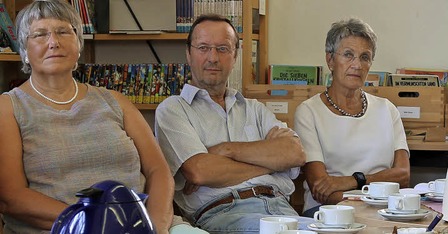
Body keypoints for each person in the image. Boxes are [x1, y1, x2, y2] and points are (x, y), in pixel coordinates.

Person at [0, 0, 177, 233]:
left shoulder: (115, 101)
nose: (53, 42)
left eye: (63, 31)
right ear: (24, 51)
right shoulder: (8, 108)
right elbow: (11, 197)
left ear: (78, 44)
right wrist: (94, 222)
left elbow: (159, 170)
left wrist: (155, 225)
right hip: (64, 228)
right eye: (40, 34)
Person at [154, 14, 312, 233]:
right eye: (203, 48)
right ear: (188, 54)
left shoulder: (254, 108)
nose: (213, 57)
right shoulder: (173, 110)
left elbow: (295, 153)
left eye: (222, 48)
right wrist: (271, 164)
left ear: (235, 55)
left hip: (281, 209)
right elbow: (200, 172)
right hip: (225, 213)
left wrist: (226, 150)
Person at [294, 18, 410, 217]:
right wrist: (372, 196)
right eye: (348, 55)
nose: (357, 64)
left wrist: (353, 181)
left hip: (385, 212)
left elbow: (403, 175)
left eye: (365, 57)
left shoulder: (387, 109)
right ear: (330, 60)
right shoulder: (309, 112)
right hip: (330, 214)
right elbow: (321, 190)